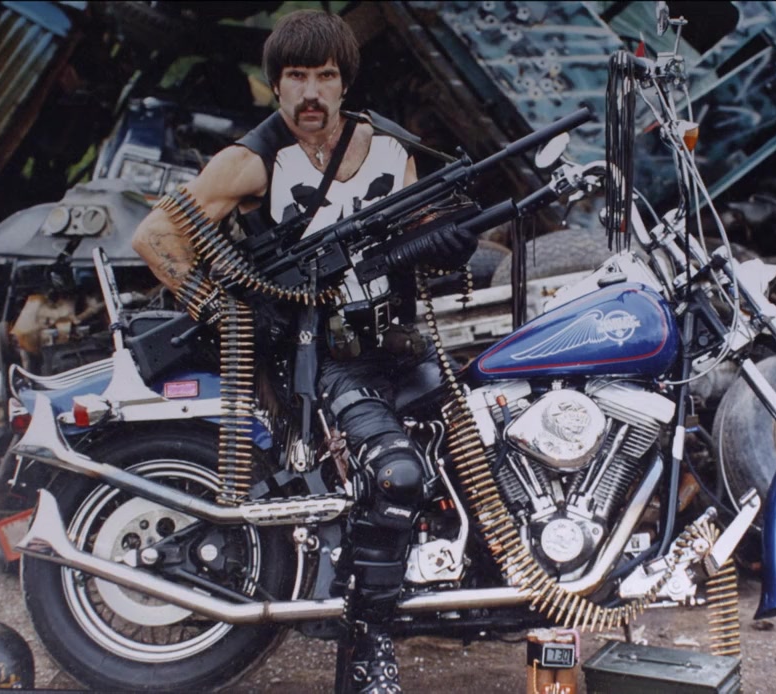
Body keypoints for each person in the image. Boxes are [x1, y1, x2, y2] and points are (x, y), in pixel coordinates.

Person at [130, 9, 476, 693]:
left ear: (345, 83)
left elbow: (421, 236)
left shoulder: (391, 151)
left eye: (325, 76)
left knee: (481, 451)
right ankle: (368, 646)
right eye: (296, 77)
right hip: (321, 362)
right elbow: (155, 237)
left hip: (396, 346)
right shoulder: (252, 160)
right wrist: (225, 310)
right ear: (276, 84)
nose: (311, 93)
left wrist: (446, 240)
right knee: (392, 475)